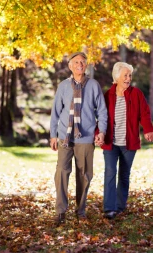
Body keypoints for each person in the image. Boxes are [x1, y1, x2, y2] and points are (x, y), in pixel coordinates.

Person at [50, 52, 108, 225]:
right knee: (61, 172)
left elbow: (102, 111)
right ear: (70, 66)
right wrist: (53, 134)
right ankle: (60, 211)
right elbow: (55, 111)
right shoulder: (63, 86)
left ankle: (80, 210)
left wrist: (101, 132)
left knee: (84, 175)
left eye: (82, 62)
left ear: (86, 65)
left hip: (86, 136)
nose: (79, 65)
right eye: (76, 62)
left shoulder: (93, 85)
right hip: (64, 137)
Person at [96, 62, 153, 220]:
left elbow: (144, 113)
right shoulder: (108, 95)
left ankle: (120, 207)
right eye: (125, 75)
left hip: (129, 143)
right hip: (111, 143)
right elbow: (101, 117)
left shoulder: (136, 94)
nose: (128, 78)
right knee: (110, 172)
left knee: (124, 174)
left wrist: (148, 129)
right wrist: (98, 133)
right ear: (116, 77)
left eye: (130, 75)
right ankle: (109, 208)